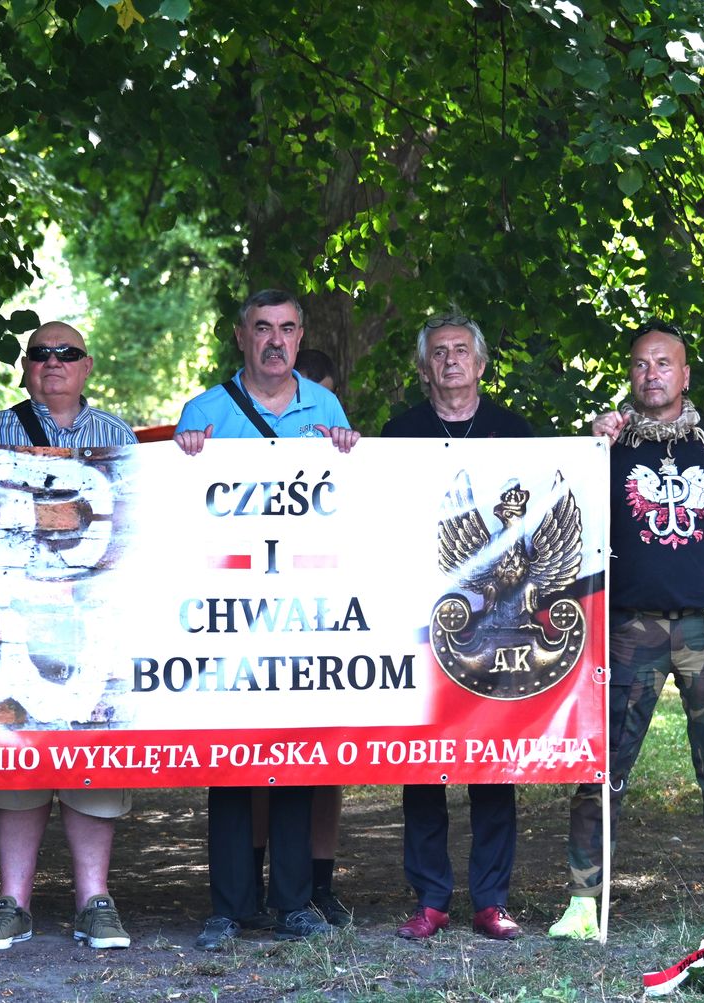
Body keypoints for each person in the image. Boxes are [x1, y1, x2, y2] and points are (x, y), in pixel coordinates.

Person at [548, 323, 704, 941]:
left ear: (685, 374)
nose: (652, 374)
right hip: (628, 628)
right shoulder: (606, 449)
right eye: (642, 365)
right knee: (602, 766)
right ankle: (583, 901)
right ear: (631, 374)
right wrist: (590, 445)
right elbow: (562, 513)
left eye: (664, 363)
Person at [173, 288, 358, 951]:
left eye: (286, 329)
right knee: (231, 760)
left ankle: (294, 902)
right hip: (229, 611)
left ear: (300, 337)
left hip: (302, 610)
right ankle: (229, 906)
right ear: (242, 336)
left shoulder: (326, 409)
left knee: (296, 755)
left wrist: (349, 449)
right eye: (262, 328)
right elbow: (179, 508)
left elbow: (349, 500)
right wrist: (183, 453)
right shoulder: (205, 411)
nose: (275, 341)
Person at [0, 321, 138, 952]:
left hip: (92, 617)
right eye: (41, 354)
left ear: (87, 365)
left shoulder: (118, 436)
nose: (53, 362)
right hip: (17, 616)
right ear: (25, 367)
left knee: (93, 757)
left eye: (66, 353)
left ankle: (95, 902)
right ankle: (13, 903)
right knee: (19, 760)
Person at [379, 313, 533, 941]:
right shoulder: (398, 434)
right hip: (421, 617)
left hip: (497, 624)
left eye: (461, 351)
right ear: (425, 367)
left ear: (481, 363)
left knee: (492, 762)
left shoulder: (516, 432)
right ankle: (431, 900)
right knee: (423, 764)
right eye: (438, 352)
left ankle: (491, 900)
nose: (450, 361)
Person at [250, 344, 349, 927]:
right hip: (249, 616)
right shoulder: (219, 412)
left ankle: (317, 884)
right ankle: (253, 883)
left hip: (320, 613)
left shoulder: (334, 423)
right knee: (256, 763)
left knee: (322, 764)